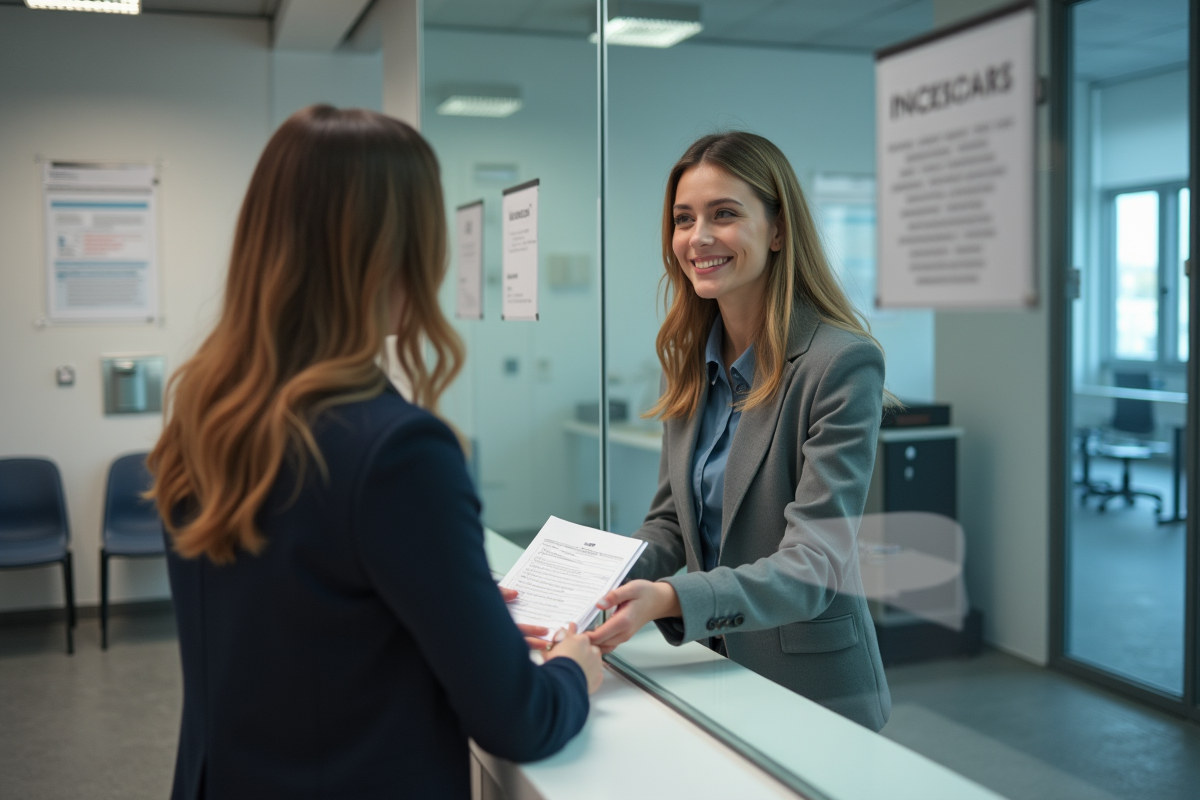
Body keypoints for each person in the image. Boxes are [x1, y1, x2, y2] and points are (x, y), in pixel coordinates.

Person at [148, 105, 602, 800]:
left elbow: (296, 621)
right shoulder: (398, 450)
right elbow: (519, 721)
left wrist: (448, 600)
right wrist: (574, 667)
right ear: (398, 251)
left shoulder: (205, 416)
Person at [587, 131, 892, 731]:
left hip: (811, 692)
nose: (697, 238)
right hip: (711, 673)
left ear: (778, 230)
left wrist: (673, 599)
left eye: (724, 214)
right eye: (683, 219)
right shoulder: (687, 362)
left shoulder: (841, 363)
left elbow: (813, 565)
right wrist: (591, 583)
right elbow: (672, 523)